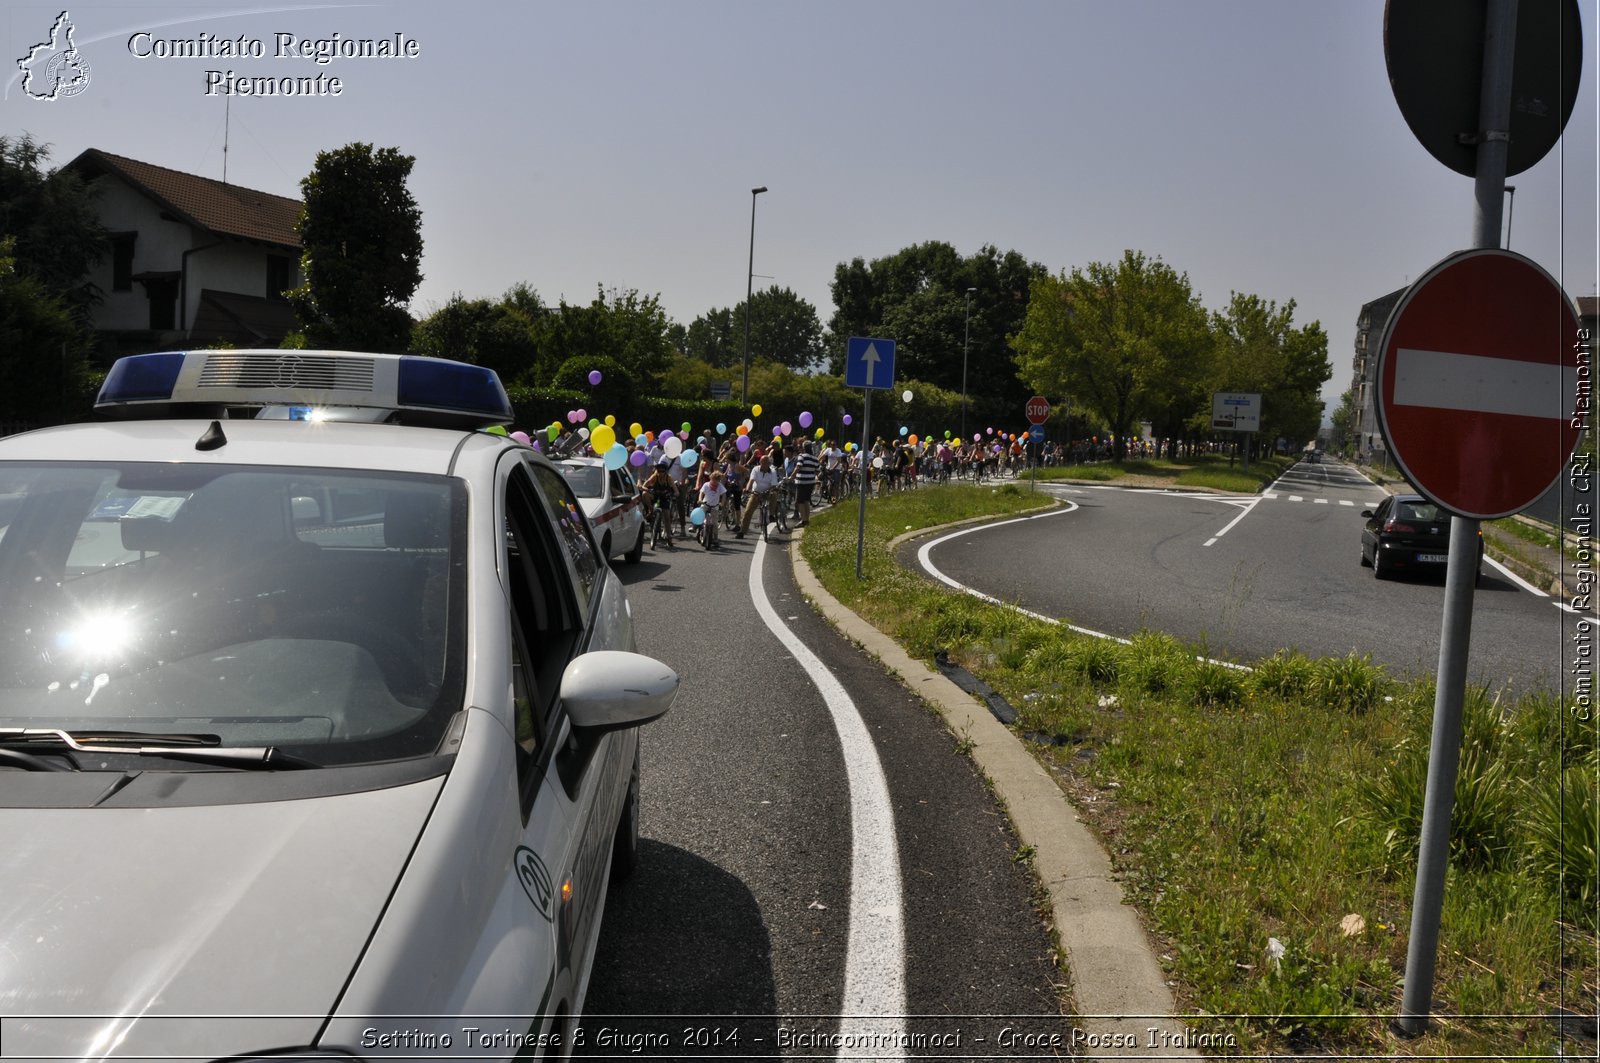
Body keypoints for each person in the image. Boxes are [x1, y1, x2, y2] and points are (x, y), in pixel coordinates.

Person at [738, 452, 781, 539]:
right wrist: (747, 489)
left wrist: (770, 490)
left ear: (769, 464)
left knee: (774, 494)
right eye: (762, 462)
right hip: (756, 493)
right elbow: (751, 480)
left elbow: (773, 485)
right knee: (748, 511)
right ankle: (742, 531)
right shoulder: (755, 469)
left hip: (768, 492)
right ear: (760, 462)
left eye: (766, 463)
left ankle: (771, 515)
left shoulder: (772, 471)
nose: (763, 464)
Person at [640, 459, 677, 548]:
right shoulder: (654, 476)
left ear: (665, 471)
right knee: (644, 494)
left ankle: (669, 538)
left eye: (662, 471)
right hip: (655, 494)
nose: (660, 472)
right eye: (658, 470)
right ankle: (651, 510)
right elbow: (645, 485)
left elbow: (676, 491)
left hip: (665, 497)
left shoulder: (669, 478)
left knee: (667, 517)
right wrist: (645, 488)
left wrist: (673, 494)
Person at [791, 441, 820, 525]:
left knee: (800, 501)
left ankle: (803, 520)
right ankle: (807, 519)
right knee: (806, 500)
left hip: (802, 481)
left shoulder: (801, 456)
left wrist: (792, 476)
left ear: (803, 448)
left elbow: (798, 466)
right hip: (811, 482)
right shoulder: (815, 458)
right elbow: (817, 470)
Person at [697, 469, 727, 549]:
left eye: (716, 481)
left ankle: (715, 538)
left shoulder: (720, 486)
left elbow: (724, 494)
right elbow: (701, 493)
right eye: (713, 480)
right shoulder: (706, 485)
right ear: (711, 478)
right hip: (705, 504)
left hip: (715, 506)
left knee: (714, 523)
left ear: (718, 480)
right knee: (700, 514)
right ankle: (696, 527)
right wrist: (700, 499)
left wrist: (722, 503)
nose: (714, 482)